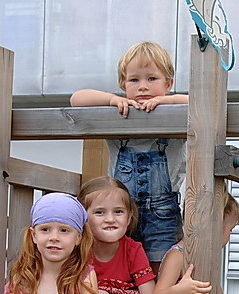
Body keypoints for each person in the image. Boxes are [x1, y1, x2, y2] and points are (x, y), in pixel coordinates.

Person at [70, 41, 189, 271]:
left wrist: (167, 101)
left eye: (152, 79)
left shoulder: (175, 114)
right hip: (119, 213)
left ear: (169, 83)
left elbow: (204, 105)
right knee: (121, 266)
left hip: (162, 216)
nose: (143, 87)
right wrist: (112, 100)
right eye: (134, 80)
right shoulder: (118, 113)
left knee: (162, 269)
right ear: (123, 84)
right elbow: (76, 99)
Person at [78, 176, 162, 294]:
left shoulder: (132, 250)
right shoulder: (78, 248)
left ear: (129, 217)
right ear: (83, 218)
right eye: (99, 212)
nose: (110, 219)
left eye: (118, 211)